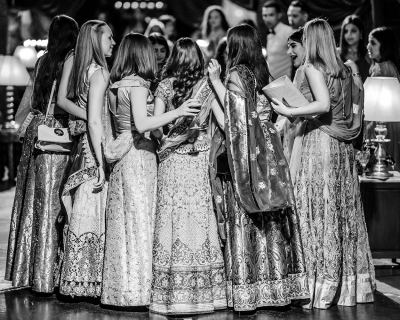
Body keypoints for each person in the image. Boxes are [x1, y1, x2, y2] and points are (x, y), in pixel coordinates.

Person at [271, 18, 375, 309]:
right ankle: (346, 285)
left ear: (312, 39)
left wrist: (287, 109)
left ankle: (319, 284)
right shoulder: (344, 70)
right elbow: (350, 107)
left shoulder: (311, 68)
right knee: (340, 211)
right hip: (341, 146)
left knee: (317, 209)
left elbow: (322, 105)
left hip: (321, 144)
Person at [208, 24, 309, 312]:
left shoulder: (236, 75)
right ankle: (276, 285)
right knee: (272, 215)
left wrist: (215, 82)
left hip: (248, 155)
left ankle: (250, 290)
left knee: (248, 211)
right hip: (270, 151)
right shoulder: (264, 74)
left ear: (234, 46)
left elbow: (235, 122)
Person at [100, 33, 199, 307]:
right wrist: (178, 112)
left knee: (123, 222)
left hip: (121, 156)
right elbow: (143, 125)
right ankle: (139, 292)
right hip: (139, 156)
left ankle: (119, 290)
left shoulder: (115, 85)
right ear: (143, 54)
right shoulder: (140, 85)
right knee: (141, 222)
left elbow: (124, 122)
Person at [149, 38, 227, 315]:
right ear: (198, 57)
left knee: (172, 217)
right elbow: (225, 122)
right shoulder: (206, 87)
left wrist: (169, 134)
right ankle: (205, 293)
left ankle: (171, 292)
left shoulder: (165, 85)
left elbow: (156, 129)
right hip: (198, 159)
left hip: (173, 159)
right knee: (200, 217)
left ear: (173, 58)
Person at [5, 15, 79, 293]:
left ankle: (30, 272)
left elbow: (28, 102)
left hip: (35, 134)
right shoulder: (70, 59)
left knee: (31, 205)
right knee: (53, 205)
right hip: (55, 134)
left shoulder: (42, 60)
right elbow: (65, 100)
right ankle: (48, 277)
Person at [59, 20, 115, 298]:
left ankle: (77, 277)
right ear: (96, 41)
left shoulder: (81, 68)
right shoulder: (99, 73)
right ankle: (90, 279)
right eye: (109, 38)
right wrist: (102, 162)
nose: (113, 43)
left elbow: (66, 102)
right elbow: (95, 122)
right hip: (93, 148)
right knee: (93, 210)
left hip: (79, 145)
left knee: (82, 211)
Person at [366, 27, 400, 170]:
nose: (368, 46)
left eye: (373, 43)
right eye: (368, 42)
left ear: (384, 46)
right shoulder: (384, 66)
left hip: (382, 124)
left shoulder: (383, 68)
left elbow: (380, 104)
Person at [262, 1, 293, 79]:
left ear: (279, 15)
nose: (267, 19)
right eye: (265, 15)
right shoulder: (269, 33)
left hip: (287, 82)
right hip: (273, 83)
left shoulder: (288, 32)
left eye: (271, 15)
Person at [339, 15, 370, 83]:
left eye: (353, 31)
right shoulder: (336, 55)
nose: (349, 34)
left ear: (361, 33)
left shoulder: (369, 55)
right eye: (346, 31)